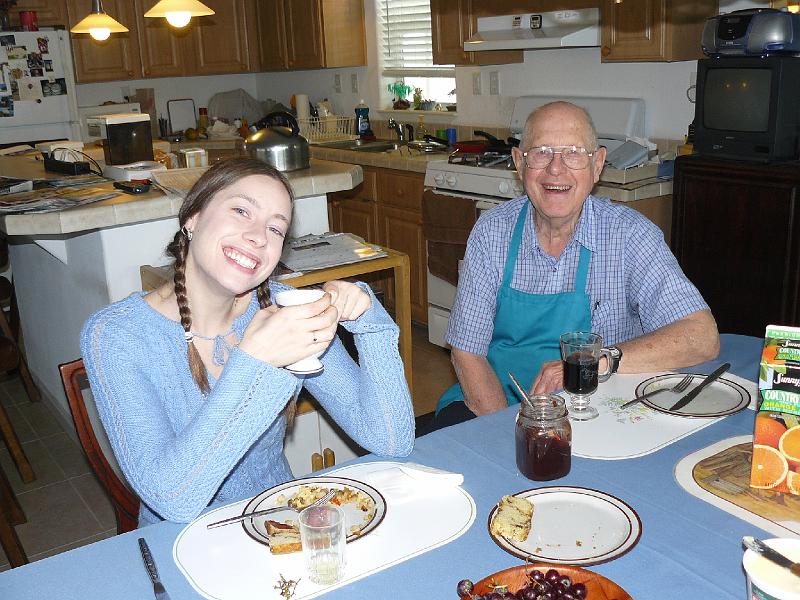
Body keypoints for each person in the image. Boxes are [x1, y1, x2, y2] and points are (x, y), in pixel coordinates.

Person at [80, 158, 414, 526]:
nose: (258, 237)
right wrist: (255, 363)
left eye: (275, 229)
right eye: (241, 211)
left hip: (279, 525)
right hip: (185, 545)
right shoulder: (116, 335)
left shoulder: (284, 310)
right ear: (192, 217)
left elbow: (389, 440)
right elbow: (171, 498)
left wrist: (372, 326)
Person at [433, 101, 719, 428]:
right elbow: (466, 351)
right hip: (498, 402)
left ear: (597, 165)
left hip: (595, 408)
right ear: (518, 163)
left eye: (572, 153)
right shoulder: (492, 232)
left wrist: (597, 362)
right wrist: (509, 430)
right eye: (540, 153)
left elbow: (702, 336)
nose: (556, 169)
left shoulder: (631, 237)